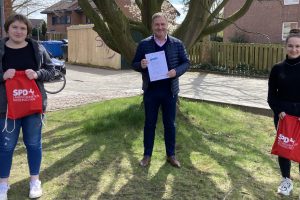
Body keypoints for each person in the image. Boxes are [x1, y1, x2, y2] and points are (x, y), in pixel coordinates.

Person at [0, 14, 55, 200]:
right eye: (15, 27)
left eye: (23, 28)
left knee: (33, 144)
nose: (18, 31)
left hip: (33, 107)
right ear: (7, 29)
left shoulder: (37, 48)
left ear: (27, 31)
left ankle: (34, 181)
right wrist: (3, 75)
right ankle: (3, 185)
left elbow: (52, 71)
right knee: (6, 147)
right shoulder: (1, 48)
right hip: (6, 109)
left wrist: (38, 73)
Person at [132, 12, 190, 168]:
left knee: (170, 124)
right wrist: (141, 65)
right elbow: (134, 63)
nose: (160, 27)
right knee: (149, 124)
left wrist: (176, 72)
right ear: (152, 26)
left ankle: (171, 155)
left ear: (167, 25)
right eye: (157, 24)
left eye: (162, 24)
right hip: (151, 91)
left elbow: (186, 63)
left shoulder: (177, 44)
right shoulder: (144, 44)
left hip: (169, 91)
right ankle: (147, 155)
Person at [268, 28, 300, 196]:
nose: (294, 49)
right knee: (285, 148)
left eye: (298, 46)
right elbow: (271, 96)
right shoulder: (277, 69)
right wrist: (279, 110)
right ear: (285, 47)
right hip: (283, 116)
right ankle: (286, 181)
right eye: (290, 46)